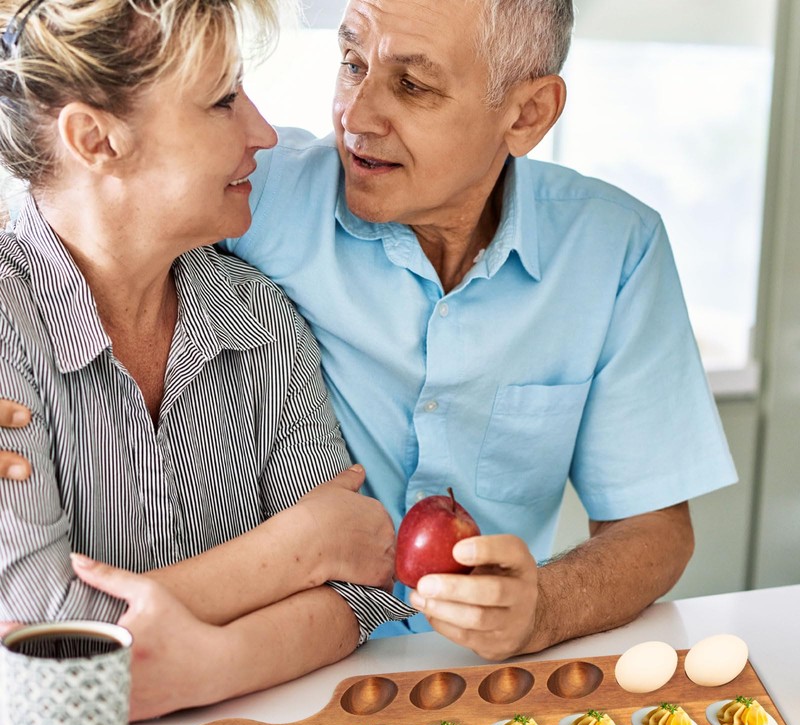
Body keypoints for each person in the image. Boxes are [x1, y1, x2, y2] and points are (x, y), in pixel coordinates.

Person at [1, 0, 737, 662]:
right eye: (351, 63)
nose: (355, 116)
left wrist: (543, 607)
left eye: (413, 85)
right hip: (286, 675)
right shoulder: (254, 192)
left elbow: (655, 532)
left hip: (474, 670)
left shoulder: (614, 248)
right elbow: (82, 163)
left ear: (528, 114)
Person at [0, 0, 413, 722]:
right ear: (95, 138)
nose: (262, 132)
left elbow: (356, 589)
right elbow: (45, 640)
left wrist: (209, 667)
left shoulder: (260, 318)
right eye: (223, 101)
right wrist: (299, 546)